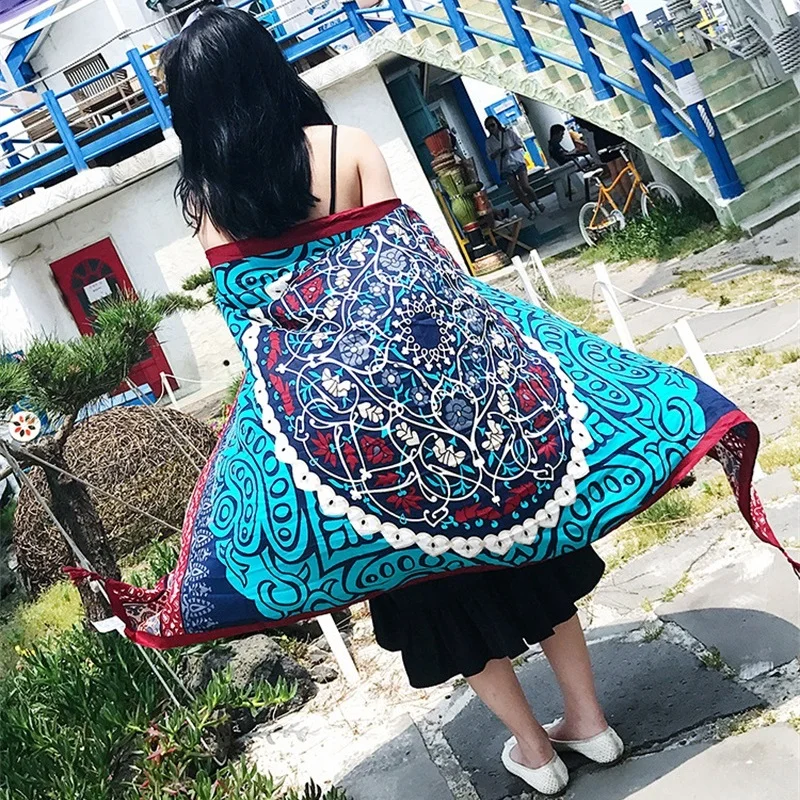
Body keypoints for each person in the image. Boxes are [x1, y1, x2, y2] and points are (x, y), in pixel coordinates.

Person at [72, 5, 795, 797]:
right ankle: (588, 720)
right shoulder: (345, 147)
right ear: (268, 71)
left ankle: (534, 751)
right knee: (531, 549)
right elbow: (420, 268)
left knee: (431, 591)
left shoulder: (211, 206)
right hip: (447, 399)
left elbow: (257, 330)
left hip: (351, 447)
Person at [485, 115, 545, 218]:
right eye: (488, 127)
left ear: (497, 124)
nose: (491, 128)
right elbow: (490, 156)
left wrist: (509, 149)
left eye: (492, 125)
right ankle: (530, 210)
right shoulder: (489, 141)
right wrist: (498, 152)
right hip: (505, 167)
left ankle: (537, 202)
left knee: (525, 185)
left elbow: (520, 144)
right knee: (516, 190)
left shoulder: (508, 133)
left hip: (517, 161)